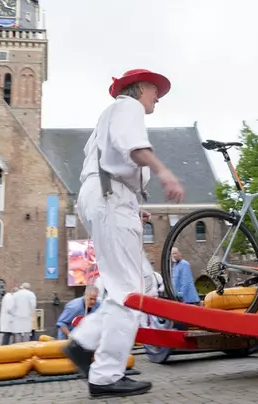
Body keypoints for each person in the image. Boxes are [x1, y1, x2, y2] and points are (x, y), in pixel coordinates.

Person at [65, 68, 184, 399]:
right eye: (155, 91)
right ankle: (104, 374)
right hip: (110, 198)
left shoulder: (107, 117)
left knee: (132, 286)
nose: (157, 96)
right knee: (130, 292)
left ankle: (85, 343)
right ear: (140, 88)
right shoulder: (127, 107)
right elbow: (133, 149)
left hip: (106, 197)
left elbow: (108, 160)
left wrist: (131, 206)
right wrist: (164, 172)